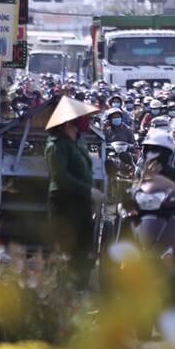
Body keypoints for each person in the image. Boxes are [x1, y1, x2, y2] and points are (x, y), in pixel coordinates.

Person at [44, 96, 103, 287]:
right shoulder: (56, 145)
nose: (84, 122)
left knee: (84, 247)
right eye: (80, 118)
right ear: (69, 121)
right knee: (66, 249)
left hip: (82, 202)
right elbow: (59, 177)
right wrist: (88, 191)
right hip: (64, 202)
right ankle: (64, 290)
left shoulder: (79, 142)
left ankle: (80, 288)